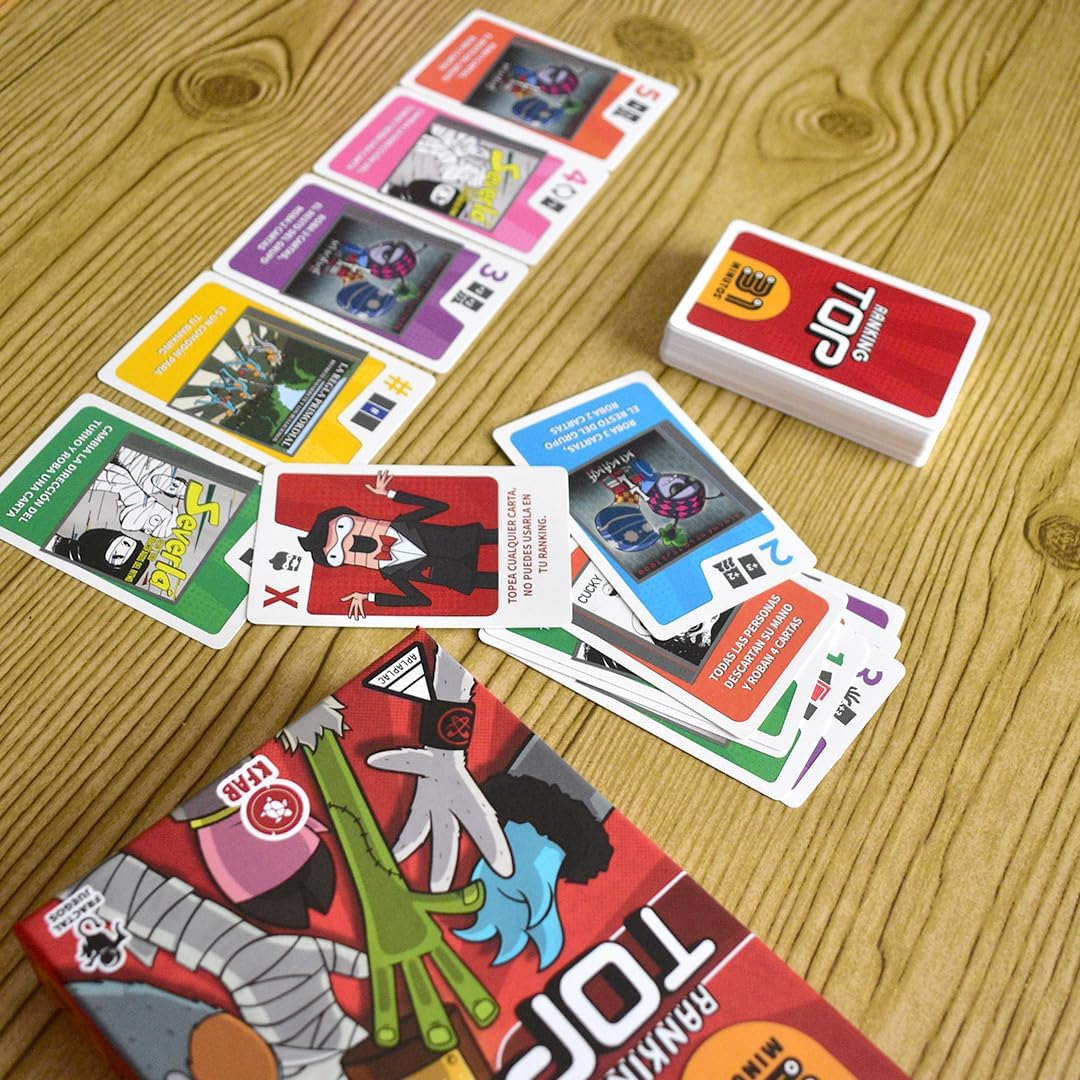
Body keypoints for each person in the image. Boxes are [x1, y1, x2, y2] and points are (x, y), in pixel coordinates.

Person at [297, 469, 498, 619]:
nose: (350, 543)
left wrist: (390, 494)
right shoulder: (394, 573)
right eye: (337, 555)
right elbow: (422, 600)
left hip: (469, 539)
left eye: (344, 527)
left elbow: (440, 506)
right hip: (468, 578)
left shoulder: (404, 524)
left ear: (356, 518)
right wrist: (369, 597)